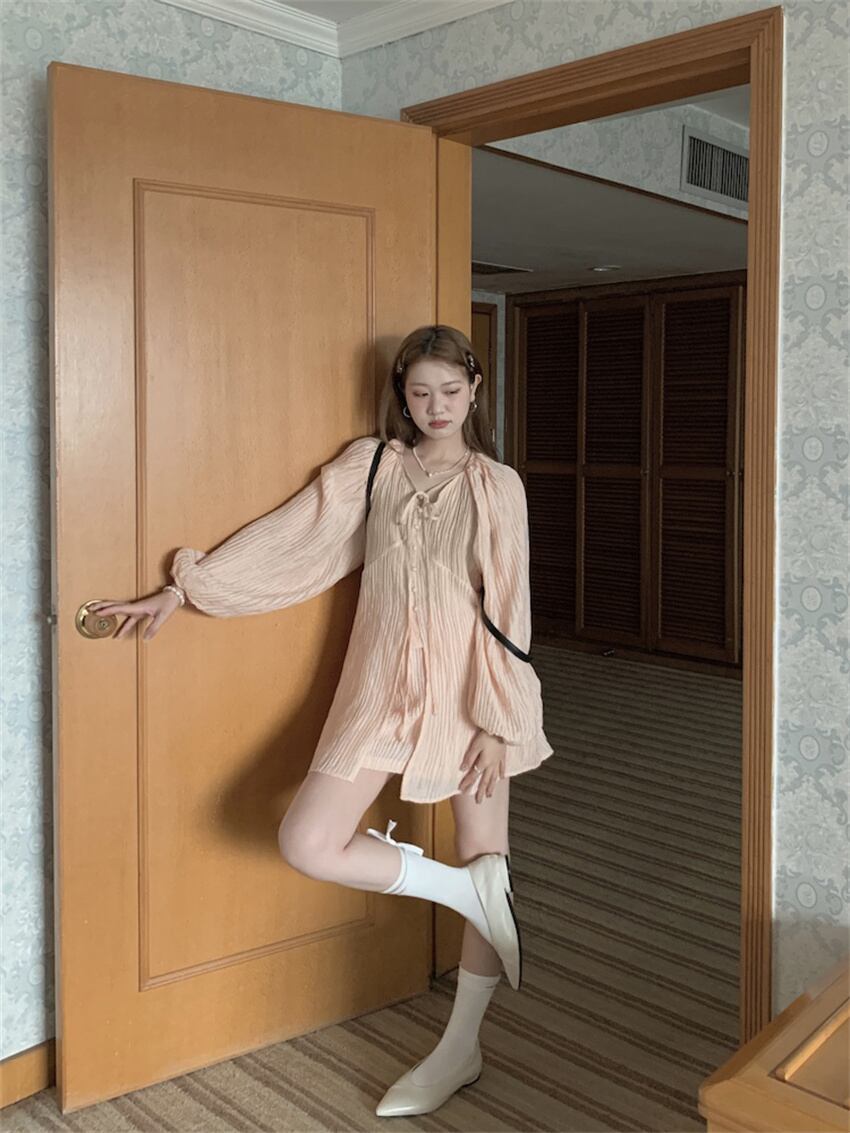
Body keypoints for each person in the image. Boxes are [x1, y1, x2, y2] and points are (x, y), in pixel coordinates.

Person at [88, 324, 554, 1117]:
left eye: (451, 391)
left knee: (488, 853)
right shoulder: (372, 466)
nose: (437, 407)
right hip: (378, 688)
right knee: (307, 838)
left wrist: (499, 721)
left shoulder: (496, 485)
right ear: (402, 396)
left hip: (473, 695)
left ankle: (460, 1047)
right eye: (420, 393)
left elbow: (511, 609)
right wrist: (187, 588)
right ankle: (466, 893)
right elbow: (294, 538)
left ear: (475, 390)